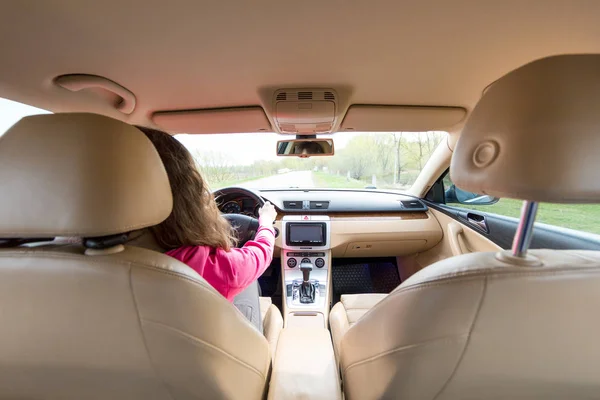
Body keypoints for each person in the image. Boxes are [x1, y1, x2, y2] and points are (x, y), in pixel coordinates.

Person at [137, 126, 277, 331]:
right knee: (253, 290)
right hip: (207, 357)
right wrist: (266, 223)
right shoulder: (202, 265)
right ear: (187, 196)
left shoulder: (78, 258)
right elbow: (257, 256)